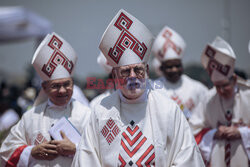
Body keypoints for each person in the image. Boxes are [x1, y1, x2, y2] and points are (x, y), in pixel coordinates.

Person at [72, 9, 205, 167]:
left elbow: (186, 156)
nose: (133, 76)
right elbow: (87, 158)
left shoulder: (168, 110)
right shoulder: (101, 111)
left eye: (138, 70)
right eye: (125, 72)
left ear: (147, 71)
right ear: (115, 76)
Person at [0, 32, 91, 167]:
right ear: (45, 87)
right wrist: (31, 151)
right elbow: (5, 153)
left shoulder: (87, 116)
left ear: (73, 83)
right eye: (55, 86)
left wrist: (75, 149)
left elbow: (104, 154)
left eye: (67, 84)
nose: (62, 90)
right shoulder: (30, 118)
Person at [189, 36, 250, 167]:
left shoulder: (248, 94)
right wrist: (213, 133)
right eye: (217, 86)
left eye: (225, 85)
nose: (221, 90)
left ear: (234, 79)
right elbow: (192, 131)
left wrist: (242, 132)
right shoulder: (208, 98)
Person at [151, 26, 208, 119]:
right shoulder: (153, 89)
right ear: (161, 68)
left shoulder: (197, 88)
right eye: (169, 67)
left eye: (177, 65)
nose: (174, 70)